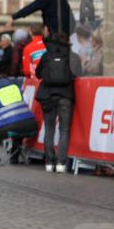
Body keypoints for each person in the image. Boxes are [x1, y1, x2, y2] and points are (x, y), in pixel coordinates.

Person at [35, 33, 79, 172]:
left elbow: (38, 74)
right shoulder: (72, 57)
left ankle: (49, 162)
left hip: (48, 96)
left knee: (49, 129)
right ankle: (61, 163)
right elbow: (78, 73)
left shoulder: (46, 56)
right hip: (65, 96)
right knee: (64, 130)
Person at [0, 74, 38, 166]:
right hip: (31, 127)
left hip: (12, 127)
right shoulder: (16, 89)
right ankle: (14, 157)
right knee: (17, 121)